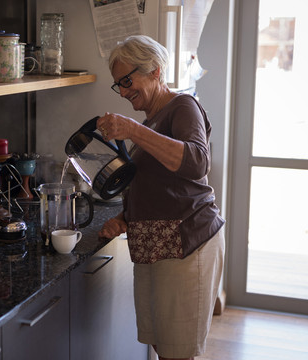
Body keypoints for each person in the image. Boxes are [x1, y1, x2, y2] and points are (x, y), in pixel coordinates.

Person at [97, 35, 225, 360]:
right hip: (154, 246)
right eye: (118, 85)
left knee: (178, 353)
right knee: (162, 346)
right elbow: (156, 184)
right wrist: (124, 218)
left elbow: (197, 163)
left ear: (155, 70)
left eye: (127, 81)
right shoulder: (152, 120)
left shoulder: (183, 106)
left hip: (187, 244)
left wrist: (132, 130)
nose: (124, 92)